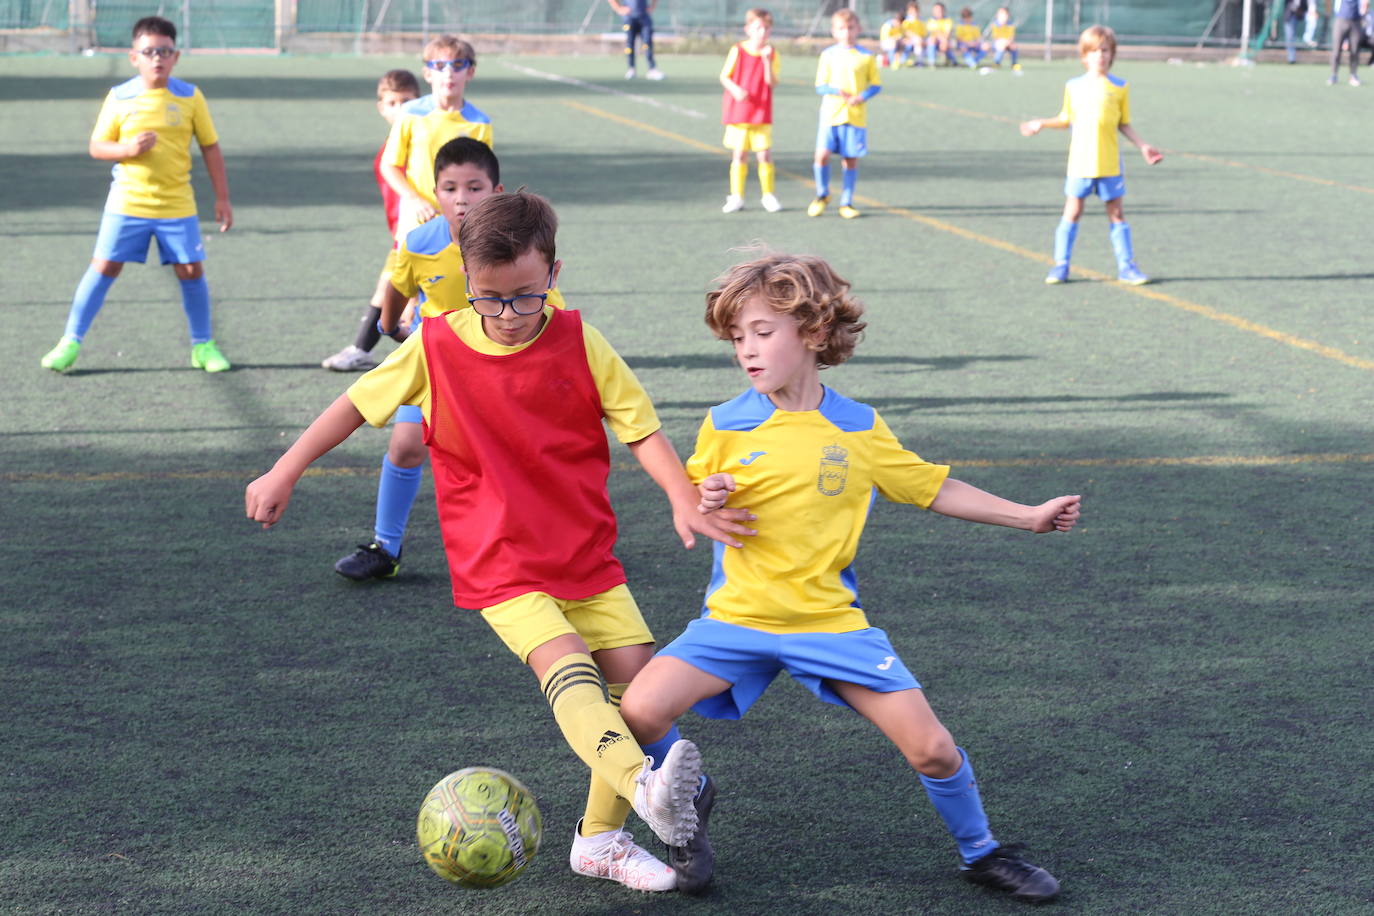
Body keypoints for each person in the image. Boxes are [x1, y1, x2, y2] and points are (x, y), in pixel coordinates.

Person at [246, 191, 757, 893]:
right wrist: (284, 468)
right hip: (499, 558)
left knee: (641, 695)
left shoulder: (580, 338)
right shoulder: (436, 343)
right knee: (568, 668)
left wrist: (679, 494)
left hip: (584, 552)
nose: (509, 316)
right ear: (465, 277)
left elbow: (638, 426)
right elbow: (352, 405)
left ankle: (600, 840)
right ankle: (647, 791)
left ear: (553, 273)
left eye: (525, 297)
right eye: (491, 299)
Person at [618, 252, 1079, 904]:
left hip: (829, 623)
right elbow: (696, 492)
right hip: (735, 620)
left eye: (761, 332)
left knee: (934, 751)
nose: (746, 351)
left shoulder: (858, 428)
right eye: (737, 339)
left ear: (811, 331)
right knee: (637, 709)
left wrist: (1028, 516)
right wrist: (705, 493)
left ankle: (982, 853)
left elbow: (930, 486)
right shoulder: (723, 423)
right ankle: (685, 797)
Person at [331, 138, 572, 582]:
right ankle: (385, 547)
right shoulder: (418, 243)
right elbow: (394, 297)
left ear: (496, 192)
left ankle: (562, 536)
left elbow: (549, 307)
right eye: (450, 188)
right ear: (434, 192)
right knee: (404, 447)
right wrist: (395, 329)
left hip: (502, 368)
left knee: (520, 454)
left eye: (474, 187)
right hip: (434, 363)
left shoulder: (518, 247)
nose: (462, 199)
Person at [41, 15, 232, 374]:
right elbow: (97, 146)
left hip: (177, 204)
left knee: (191, 270)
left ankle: (203, 346)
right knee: (104, 266)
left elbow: (211, 147)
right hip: (127, 203)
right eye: (149, 51)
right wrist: (127, 148)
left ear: (175, 56)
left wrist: (222, 198)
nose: (157, 58)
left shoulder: (190, 97)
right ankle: (70, 341)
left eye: (164, 51)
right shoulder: (120, 96)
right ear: (134, 57)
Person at [1019, 25, 1163, 285]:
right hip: (1080, 163)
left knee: (1117, 214)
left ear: (1112, 54)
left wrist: (1143, 146)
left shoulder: (1120, 87)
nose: (1099, 55)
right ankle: (1060, 265)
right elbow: (1065, 119)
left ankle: (1127, 267)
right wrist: (1040, 123)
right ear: (1084, 56)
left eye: (1104, 50)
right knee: (1072, 212)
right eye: (1094, 50)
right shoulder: (1073, 86)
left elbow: (1123, 123)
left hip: (1109, 164)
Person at [321, 69, 422, 372]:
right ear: (381, 108)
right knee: (388, 293)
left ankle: (414, 355)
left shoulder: (422, 142)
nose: (400, 109)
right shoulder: (391, 144)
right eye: (392, 103)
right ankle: (364, 349)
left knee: (407, 298)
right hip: (402, 233)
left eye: (407, 101)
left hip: (424, 233)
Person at [379, 35, 492, 247]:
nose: (448, 73)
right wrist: (414, 199)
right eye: (440, 66)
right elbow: (389, 165)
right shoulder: (411, 113)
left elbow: (481, 179)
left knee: (457, 279)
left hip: (460, 221)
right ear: (428, 73)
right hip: (417, 216)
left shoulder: (480, 123)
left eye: (457, 65)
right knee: (407, 277)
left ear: (470, 72)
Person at [808, 9, 881, 221]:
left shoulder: (866, 56)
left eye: (850, 28)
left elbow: (876, 85)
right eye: (841, 28)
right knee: (821, 156)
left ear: (858, 29)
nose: (847, 32)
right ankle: (822, 195)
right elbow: (820, 86)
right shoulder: (828, 55)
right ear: (834, 32)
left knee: (850, 160)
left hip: (855, 116)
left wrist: (862, 96)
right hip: (830, 115)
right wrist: (836, 91)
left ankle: (846, 202)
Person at [720, 8, 782, 214]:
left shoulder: (772, 54)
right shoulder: (737, 49)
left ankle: (768, 195)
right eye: (757, 28)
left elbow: (771, 82)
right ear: (748, 29)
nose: (761, 32)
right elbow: (724, 77)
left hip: (761, 113)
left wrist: (765, 60)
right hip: (740, 114)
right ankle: (736, 196)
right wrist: (736, 90)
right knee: (739, 155)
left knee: (764, 155)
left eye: (765, 28)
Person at [608, 0, 664, 80]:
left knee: (647, 43)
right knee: (629, 45)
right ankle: (631, 69)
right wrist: (618, 9)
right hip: (629, 18)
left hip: (644, 17)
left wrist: (652, 7)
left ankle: (652, 69)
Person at [1326, 0, 1369, 85]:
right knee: (1336, 50)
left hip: (1355, 22)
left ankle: (1353, 75)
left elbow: (1365, 4)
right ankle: (1333, 75)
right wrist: (1328, 11)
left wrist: (1363, 12)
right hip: (1341, 20)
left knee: (1355, 50)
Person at [925, 2, 955, 66]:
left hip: (945, 41)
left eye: (940, 10)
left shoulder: (948, 20)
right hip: (936, 41)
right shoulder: (931, 21)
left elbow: (947, 34)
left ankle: (952, 60)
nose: (938, 12)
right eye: (936, 10)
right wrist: (942, 39)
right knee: (932, 39)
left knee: (945, 44)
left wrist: (944, 40)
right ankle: (931, 62)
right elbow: (933, 33)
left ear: (944, 10)